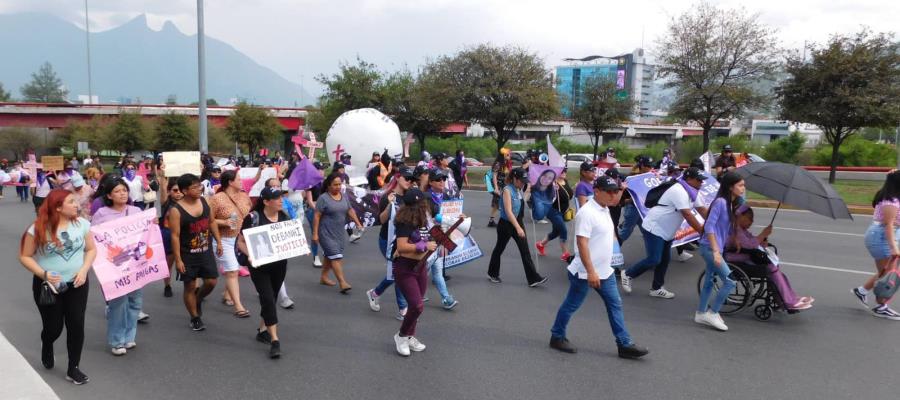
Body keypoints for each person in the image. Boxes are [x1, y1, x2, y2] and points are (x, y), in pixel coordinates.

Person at [549, 175, 649, 359]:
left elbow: (616, 199)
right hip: (585, 272)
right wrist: (591, 272)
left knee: (615, 305)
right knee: (571, 305)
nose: (613, 195)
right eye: (609, 192)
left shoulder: (604, 208)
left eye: (615, 191)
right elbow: (582, 244)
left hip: (605, 271)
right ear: (596, 192)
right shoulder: (587, 213)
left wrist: (623, 188)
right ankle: (557, 336)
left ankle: (624, 345)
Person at [18, 189, 96, 384]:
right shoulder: (37, 228)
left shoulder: (83, 225)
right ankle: (47, 342)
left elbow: (91, 249)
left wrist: (84, 270)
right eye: (72, 202)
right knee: (54, 327)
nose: (77, 205)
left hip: (77, 283)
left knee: (76, 325)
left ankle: (73, 368)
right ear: (58, 207)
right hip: (48, 287)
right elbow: (25, 256)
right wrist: (44, 274)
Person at [621, 167, 709, 299]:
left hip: (667, 230)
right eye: (699, 180)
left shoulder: (692, 192)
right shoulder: (679, 190)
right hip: (655, 227)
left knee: (664, 260)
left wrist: (717, 223)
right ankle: (628, 274)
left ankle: (656, 288)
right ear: (689, 179)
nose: (701, 183)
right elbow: (688, 215)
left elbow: (702, 210)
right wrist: (703, 232)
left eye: (702, 180)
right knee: (654, 259)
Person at [91, 178, 145, 355]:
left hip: (135, 263)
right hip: (113, 264)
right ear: (108, 195)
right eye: (117, 191)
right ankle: (117, 341)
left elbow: (146, 234)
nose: (122, 193)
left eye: (124, 190)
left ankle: (129, 337)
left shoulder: (137, 210)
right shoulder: (101, 214)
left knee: (135, 302)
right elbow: (95, 239)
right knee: (118, 303)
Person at [728, 205, 814, 311]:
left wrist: (762, 241)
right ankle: (788, 300)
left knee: (777, 271)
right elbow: (749, 245)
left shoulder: (741, 230)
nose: (752, 222)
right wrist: (763, 234)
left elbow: (753, 242)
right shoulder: (735, 230)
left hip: (747, 256)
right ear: (740, 216)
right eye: (750, 219)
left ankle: (789, 297)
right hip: (737, 259)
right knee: (772, 268)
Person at [238, 187, 290, 358]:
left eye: (281, 196)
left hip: (279, 265)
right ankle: (275, 340)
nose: (281, 200)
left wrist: (299, 247)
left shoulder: (283, 216)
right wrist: (250, 255)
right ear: (266, 201)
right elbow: (240, 242)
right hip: (260, 267)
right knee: (267, 298)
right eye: (277, 198)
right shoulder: (253, 218)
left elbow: (289, 238)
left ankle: (262, 330)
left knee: (272, 297)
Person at [168, 174, 224, 331]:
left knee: (211, 281)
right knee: (190, 286)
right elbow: (175, 236)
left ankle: (198, 299)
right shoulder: (176, 210)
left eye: (199, 185)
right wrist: (178, 260)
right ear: (184, 190)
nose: (199, 189)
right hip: (187, 254)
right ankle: (195, 317)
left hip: (205, 251)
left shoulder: (205, 201)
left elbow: (212, 222)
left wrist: (218, 241)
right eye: (194, 187)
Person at [695, 171, 744, 331]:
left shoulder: (730, 203)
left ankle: (701, 313)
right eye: (740, 185)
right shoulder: (721, 202)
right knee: (730, 281)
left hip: (716, 248)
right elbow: (709, 226)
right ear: (731, 187)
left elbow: (724, 227)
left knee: (709, 281)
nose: (743, 188)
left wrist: (735, 238)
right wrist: (716, 251)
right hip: (709, 248)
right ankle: (713, 312)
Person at [391, 188, 435, 357]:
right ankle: (401, 335)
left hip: (421, 267)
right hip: (405, 268)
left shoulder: (423, 220)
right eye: (422, 203)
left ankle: (410, 336)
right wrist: (423, 246)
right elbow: (401, 247)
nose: (425, 205)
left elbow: (433, 235)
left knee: (416, 307)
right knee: (417, 305)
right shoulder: (404, 223)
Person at [366, 167, 415, 317]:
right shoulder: (387, 196)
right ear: (398, 177)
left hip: (404, 240)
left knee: (395, 272)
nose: (409, 181)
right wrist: (389, 205)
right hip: (387, 241)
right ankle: (403, 308)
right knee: (398, 272)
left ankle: (375, 293)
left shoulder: (410, 197)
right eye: (406, 178)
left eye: (411, 179)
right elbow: (381, 220)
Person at [487, 168, 548, 286]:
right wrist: (518, 228)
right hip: (506, 224)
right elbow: (509, 211)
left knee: (525, 251)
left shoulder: (518, 189)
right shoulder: (507, 190)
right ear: (514, 178)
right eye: (521, 180)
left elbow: (521, 201)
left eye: (525, 181)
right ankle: (492, 273)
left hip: (518, 221)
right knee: (499, 249)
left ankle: (533, 278)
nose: (523, 183)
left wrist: (529, 191)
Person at [854, 171, 900, 320]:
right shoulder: (890, 201)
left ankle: (862, 291)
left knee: (885, 271)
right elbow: (888, 225)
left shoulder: (893, 196)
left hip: (885, 236)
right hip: (881, 237)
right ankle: (881, 306)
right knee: (888, 274)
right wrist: (894, 247)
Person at [209, 170, 252, 318]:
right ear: (230, 182)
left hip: (239, 238)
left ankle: (227, 293)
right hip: (222, 239)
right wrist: (224, 222)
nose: (241, 182)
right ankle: (238, 306)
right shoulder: (216, 199)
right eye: (239, 179)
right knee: (233, 270)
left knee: (234, 267)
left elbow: (250, 215)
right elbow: (209, 220)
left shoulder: (244, 196)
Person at [313, 173, 363, 293]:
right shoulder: (323, 198)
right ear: (329, 185)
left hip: (339, 232)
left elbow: (350, 210)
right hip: (325, 232)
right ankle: (342, 282)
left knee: (330, 256)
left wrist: (358, 223)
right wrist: (315, 233)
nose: (338, 187)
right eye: (335, 184)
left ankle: (324, 277)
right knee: (335, 256)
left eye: (339, 184)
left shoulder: (343, 196)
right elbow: (316, 215)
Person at [423, 170, 459, 308]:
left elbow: (451, 217)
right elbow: (428, 221)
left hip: (439, 237)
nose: (442, 182)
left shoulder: (446, 196)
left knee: (437, 271)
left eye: (444, 179)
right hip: (428, 237)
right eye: (438, 180)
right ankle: (411, 295)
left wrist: (458, 216)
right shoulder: (425, 197)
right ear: (431, 182)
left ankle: (446, 298)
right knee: (422, 270)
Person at [536, 168, 573, 261]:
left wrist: (575, 188)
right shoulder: (552, 183)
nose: (564, 172)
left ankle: (541, 244)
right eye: (562, 171)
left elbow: (569, 195)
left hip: (563, 211)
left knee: (556, 232)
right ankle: (565, 254)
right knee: (563, 230)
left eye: (565, 170)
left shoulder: (565, 181)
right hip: (552, 211)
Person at [158, 176, 182, 298]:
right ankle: (167, 285)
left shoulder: (189, 203)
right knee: (168, 264)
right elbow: (162, 190)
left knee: (191, 263)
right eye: (175, 190)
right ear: (169, 192)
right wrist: (162, 177)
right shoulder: (166, 204)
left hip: (185, 237)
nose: (178, 193)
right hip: (169, 237)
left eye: (180, 190)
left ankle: (196, 287)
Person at [304, 161, 327, 268]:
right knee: (315, 233)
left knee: (325, 232)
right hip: (313, 210)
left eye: (323, 169)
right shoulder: (310, 182)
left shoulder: (325, 182)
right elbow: (310, 201)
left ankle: (326, 250)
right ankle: (315, 256)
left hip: (324, 209)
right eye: (319, 169)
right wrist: (318, 210)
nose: (322, 171)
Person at [488, 149, 512, 227]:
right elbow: (494, 176)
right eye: (507, 154)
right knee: (497, 203)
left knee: (500, 203)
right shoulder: (498, 164)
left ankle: (493, 221)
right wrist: (496, 188)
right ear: (503, 155)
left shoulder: (506, 163)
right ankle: (492, 221)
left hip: (505, 186)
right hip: (499, 186)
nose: (509, 156)